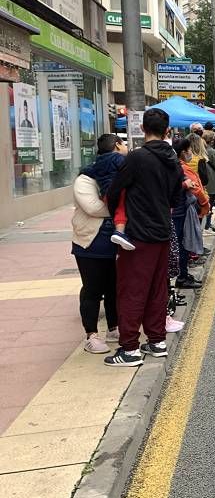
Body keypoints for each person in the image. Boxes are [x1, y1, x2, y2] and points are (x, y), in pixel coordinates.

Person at [103, 109, 183, 367]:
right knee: (157, 289)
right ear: (167, 130)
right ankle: (157, 341)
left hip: (137, 234)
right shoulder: (172, 159)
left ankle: (129, 348)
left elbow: (115, 190)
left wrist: (119, 217)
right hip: (162, 231)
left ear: (141, 129)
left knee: (132, 290)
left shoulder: (137, 158)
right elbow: (175, 198)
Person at [72, 134, 127, 354]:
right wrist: (121, 206)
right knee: (92, 289)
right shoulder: (85, 179)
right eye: (122, 144)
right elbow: (93, 208)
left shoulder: (118, 174)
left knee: (114, 287)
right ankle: (91, 335)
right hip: (89, 244)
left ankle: (113, 328)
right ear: (115, 147)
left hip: (113, 242)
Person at [173, 137, 210, 291]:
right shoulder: (181, 168)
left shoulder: (179, 166)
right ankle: (182, 277)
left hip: (180, 209)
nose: (190, 153)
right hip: (182, 210)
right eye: (188, 151)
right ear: (183, 152)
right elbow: (196, 188)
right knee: (184, 243)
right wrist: (205, 204)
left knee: (184, 242)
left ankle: (184, 274)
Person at [200, 131, 215, 230]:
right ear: (211, 140)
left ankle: (206, 224)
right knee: (210, 204)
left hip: (202, 182)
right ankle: (207, 224)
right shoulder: (212, 152)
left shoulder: (199, 151)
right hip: (211, 181)